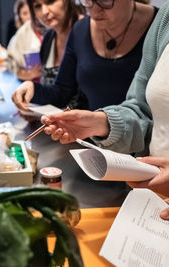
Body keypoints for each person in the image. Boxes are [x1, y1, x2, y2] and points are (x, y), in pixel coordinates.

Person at [40, 1, 169, 220]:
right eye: (86, 1)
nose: (94, 10)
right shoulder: (165, 18)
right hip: (151, 199)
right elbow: (142, 110)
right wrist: (101, 123)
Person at [12, 0, 158, 111]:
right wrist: (32, 88)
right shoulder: (80, 29)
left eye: (104, 0)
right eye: (86, 1)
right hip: (95, 144)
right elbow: (62, 93)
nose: (94, 10)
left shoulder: (160, 26)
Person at [7, 0, 44, 81]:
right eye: (24, 13)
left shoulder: (46, 31)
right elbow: (13, 67)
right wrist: (30, 74)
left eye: (31, 11)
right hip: (32, 84)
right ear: (19, 16)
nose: (29, 16)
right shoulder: (19, 36)